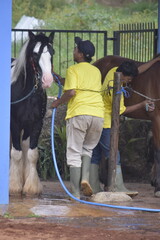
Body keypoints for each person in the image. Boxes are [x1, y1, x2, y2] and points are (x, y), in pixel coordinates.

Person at [89, 58, 159, 195]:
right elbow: (121, 110)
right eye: (129, 79)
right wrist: (141, 104)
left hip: (98, 119)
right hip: (107, 122)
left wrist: (154, 61)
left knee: (96, 153)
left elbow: (138, 70)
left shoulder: (113, 71)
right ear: (123, 76)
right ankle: (117, 186)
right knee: (113, 152)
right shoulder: (116, 88)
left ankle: (93, 184)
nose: (130, 82)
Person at [51, 37, 104, 199]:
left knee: (74, 153)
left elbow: (72, 91)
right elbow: (67, 83)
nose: (73, 51)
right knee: (87, 149)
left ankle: (74, 193)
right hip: (98, 114)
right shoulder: (96, 71)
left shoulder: (73, 69)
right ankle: (85, 178)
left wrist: (58, 103)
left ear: (80, 54)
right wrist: (54, 75)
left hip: (80, 112)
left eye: (75, 49)